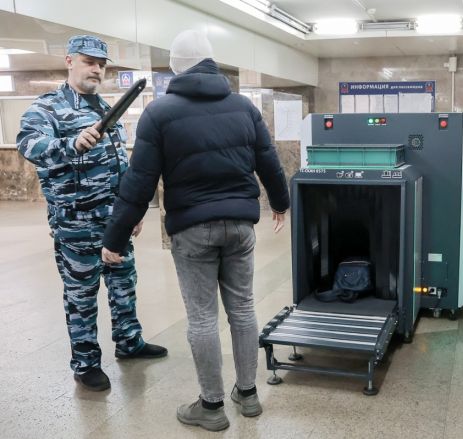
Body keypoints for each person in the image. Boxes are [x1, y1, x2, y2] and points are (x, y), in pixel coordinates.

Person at [102, 29, 290, 432]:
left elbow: (139, 181)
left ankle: (211, 405)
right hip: (241, 226)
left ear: (176, 69)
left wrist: (114, 237)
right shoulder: (243, 107)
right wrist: (281, 202)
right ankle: (249, 394)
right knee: (242, 309)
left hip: (192, 230)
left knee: (203, 318)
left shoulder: (160, 113)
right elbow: (268, 160)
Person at [16, 35, 168, 392]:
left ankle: (130, 342)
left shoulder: (105, 109)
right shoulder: (47, 108)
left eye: (101, 64)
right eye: (89, 61)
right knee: (81, 296)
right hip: (76, 224)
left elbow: (121, 163)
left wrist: (132, 209)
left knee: (123, 286)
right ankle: (86, 363)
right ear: (70, 61)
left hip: (114, 221)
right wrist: (69, 143)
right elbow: (28, 145)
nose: (97, 69)